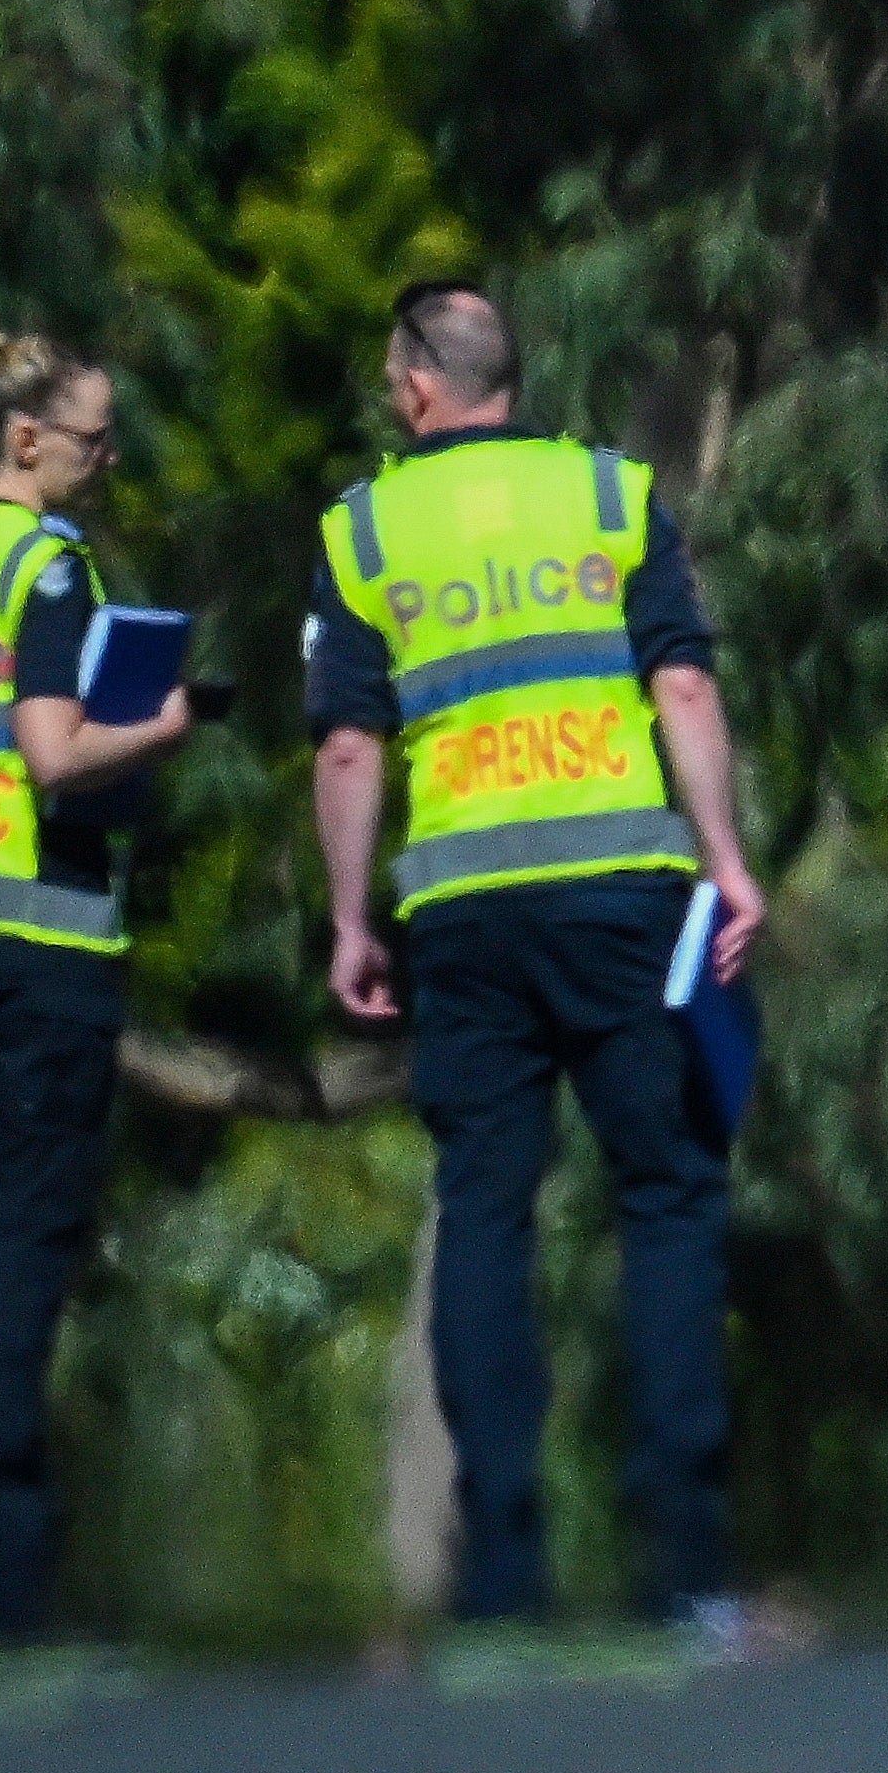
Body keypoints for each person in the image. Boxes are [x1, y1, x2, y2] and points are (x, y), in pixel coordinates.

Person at [312, 281, 765, 1628]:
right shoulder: (614, 497)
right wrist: (726, 857)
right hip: (624, 894)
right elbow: (682, 680)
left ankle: (502, 1554)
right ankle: (684, 1554)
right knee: (669, 1198)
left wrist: (350, 917)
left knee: (488, 1205)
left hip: (466, 913)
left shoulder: (366, 529)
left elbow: (348, 740)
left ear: (413, 389)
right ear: (508, 375)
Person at [0, 313, 195, 1642]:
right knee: (22, 1230)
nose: (109, 460)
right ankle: (0, 1546)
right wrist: (167, 720)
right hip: (36, 940)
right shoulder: (46, 565)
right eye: (94, 438)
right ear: (25, 438)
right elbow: (54, 754)